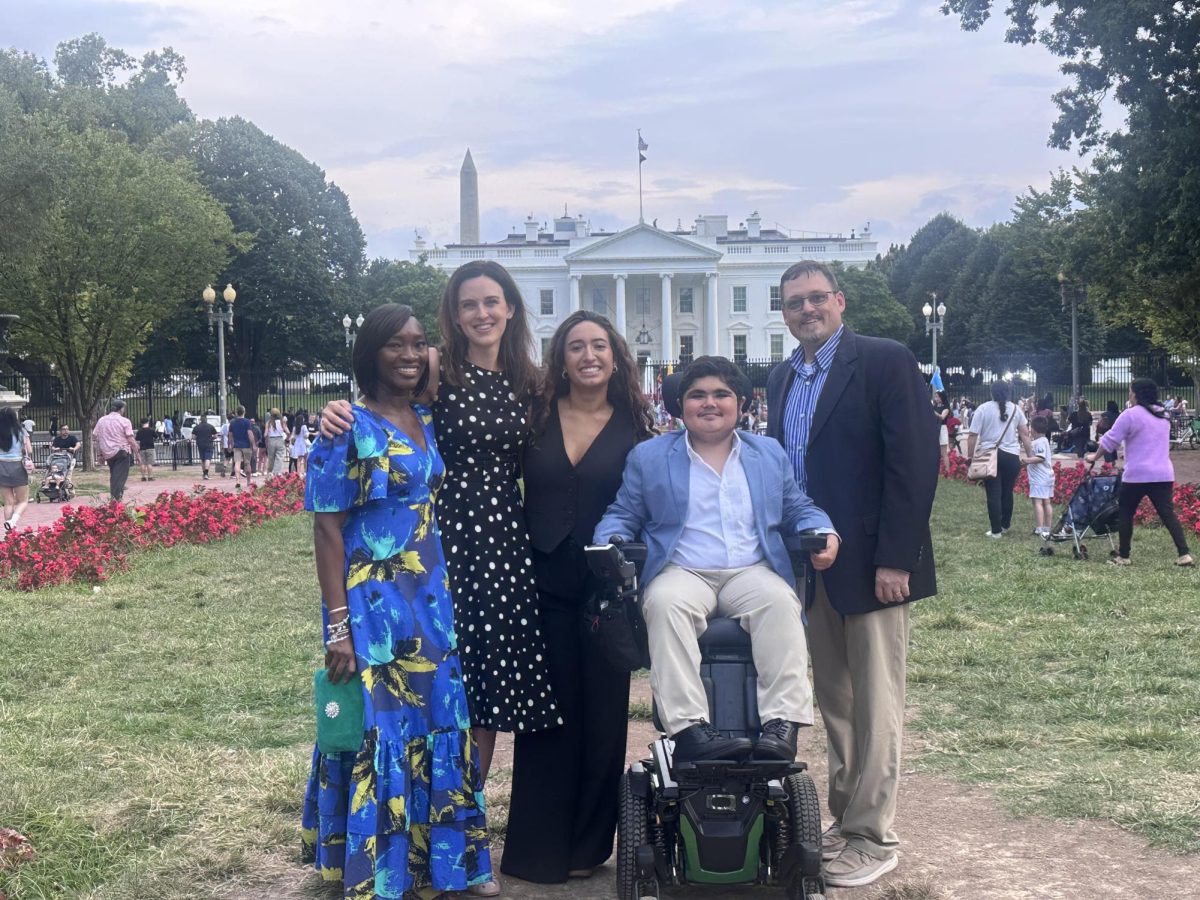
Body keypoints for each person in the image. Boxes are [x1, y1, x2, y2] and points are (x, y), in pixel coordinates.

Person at [320, 261, 561, 895]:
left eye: (493, 302)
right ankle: (390, 858)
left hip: (485, 554)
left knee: (464, 703)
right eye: (468, 304)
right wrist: (334, 409)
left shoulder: (529, 381)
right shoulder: (436, 370)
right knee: (403, 715)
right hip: (432, 554)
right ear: (454, 317)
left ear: (512, 307)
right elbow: (380, 388)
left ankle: (454, 846)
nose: (482, 313)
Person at [301, 303, 493, 898]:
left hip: (431, 599)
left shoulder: (426, 416)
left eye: (418, 344)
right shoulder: (347, 430)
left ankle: (440, 862)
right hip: (373, 604)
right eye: (395, 345)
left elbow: (445, 361)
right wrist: (337, 629)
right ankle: (379, 868)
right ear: (369, 353)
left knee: (438, 720)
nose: (411, 355)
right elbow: (327, 530)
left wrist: (427, 353)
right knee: (382, 729)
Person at [765, 260, 938, 889]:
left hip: (872, 562)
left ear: (840, 301)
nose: (806, 310)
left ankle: (874, 833)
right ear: (782, 312)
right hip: (812, 567)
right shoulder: (785, 377)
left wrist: (898, 557)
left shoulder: (885, 360)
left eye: (816, 298)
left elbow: (915, 464)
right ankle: (847, 817)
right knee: (836, 700)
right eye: (793, 303)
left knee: (877, 700)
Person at [597, 355, 839, 765]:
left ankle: (782, 723)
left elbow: (798, 506)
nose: (709, 403)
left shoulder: (768, 453)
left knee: (780, 602)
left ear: (741, 404)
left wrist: (825, 531)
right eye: (697, 396)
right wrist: (610, 542)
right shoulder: (651, 457)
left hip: (750, 569)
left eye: (721, 395)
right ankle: (689, 728)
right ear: (681, 406)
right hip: (683, 570)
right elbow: (624, 513)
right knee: (666, 604)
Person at [500, 311, 656, 885]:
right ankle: (536, 848)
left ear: (615, 356)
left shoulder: (636, 426)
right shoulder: (532, 416)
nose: (588, 355)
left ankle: (588, 847)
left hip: (604, 591)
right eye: (575, 347)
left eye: (598, 346)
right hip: (538, 581)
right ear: (559, 360)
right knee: (544, 713)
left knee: (603, 713)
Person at [1086, 378, 1194, 567]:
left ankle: (1124, 556)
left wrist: (1094, 457)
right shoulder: (1164, 415)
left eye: (1130, 391)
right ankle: (1184, 554)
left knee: (1126, 512)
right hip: (1163, 473)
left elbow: (1110, 440)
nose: (1129, 395)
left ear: (1135, 393)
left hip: (1137, 474)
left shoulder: (1131, 415)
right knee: (1168, 514)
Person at [967, 382, 1034, 538]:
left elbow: (972, 435)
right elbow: (1024, 434)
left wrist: (970, 456)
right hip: (1011, 456)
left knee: (993, 493)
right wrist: (1030, 456)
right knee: (1007, 491)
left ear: (991, 392)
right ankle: (1005, 525)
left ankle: (996, 530)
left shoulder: (983, 409)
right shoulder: (1016, 409)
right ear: (1008, 392)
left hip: (990, 456)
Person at [92, 400, 138, 501]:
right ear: (121, 409)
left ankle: (116, 497)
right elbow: (130, 438)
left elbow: (97, 437)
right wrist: (137, 453)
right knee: (119, 477)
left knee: (114, 476)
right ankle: (116, 500)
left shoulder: (101, 420)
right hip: (121, 451)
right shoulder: (124, 421)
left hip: (108, 452)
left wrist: (100, 455)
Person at [1021, 415, 1055, 537]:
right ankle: (1047, 527)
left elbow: (1040, 457)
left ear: (1033, 429)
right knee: (1047, 502)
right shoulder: (1045, 440)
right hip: (1047, 476)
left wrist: (1027, 460)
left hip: (1039, 478)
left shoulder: (1039, 442)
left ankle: (1040, 528)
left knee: (1037, 502)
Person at [0, 408, 33, 533]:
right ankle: (12, 521)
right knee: (23, 500)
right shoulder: (21, 431)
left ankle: (10, 531)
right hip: (17, 466)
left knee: (8, 502)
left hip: (1, 466)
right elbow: (29, 450)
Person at [228, 407, 256, 485]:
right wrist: (253, 444)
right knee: (247, 463)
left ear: (236, 412)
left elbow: (230, 435)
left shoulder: (233, 422)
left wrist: (229, 445)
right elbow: (250, 433)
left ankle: (237, 481)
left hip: (236, 445)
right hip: (246, 445)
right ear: (244, 412)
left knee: (237, 462)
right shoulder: (247, 422)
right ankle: (248, 481)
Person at [192, 412, 218, 480]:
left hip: (200, 444)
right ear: (206, 419)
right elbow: (216, 435)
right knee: (208, 459)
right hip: (209, 444)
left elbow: (193, 437)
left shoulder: (196, 427)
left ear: (200, 420)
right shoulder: (210, 426)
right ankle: (206, 473)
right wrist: (211, 438)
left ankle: (204, 473)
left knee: (202, 459)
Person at [262, 407, 288, 476]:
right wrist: (287, 438)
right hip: (280, 440)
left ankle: (270, 471)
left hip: (271, 440)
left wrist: (267, 439)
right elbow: (288, 431)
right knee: (279, 457)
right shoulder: (282, 422)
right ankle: (276, 472)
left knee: (271, 458)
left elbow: (265, 434)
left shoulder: (269, 422)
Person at [289, 411, 310, 476]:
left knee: (298, 459)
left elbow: (293, 436)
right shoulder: (304, 426)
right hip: (303, 443)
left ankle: (298, 472)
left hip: (296, 443)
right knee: (305, 458)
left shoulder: (295, 427)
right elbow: (306, 435)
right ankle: (305, 471)